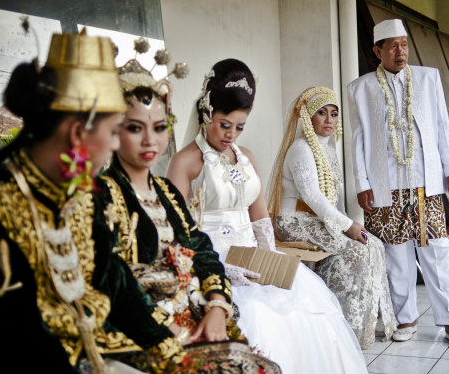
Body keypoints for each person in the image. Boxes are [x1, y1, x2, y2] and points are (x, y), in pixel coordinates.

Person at [0, 30, 191, 373]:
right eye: (116, 130)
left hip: (98, 349)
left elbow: (111, 278)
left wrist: (168, 347)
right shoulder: (6, 201)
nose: (116, 146)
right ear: (77, 134)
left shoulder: (83, 195)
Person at [167, 59, 368, 374]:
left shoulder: (246, 158)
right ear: (206, 114)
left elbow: (259, 216)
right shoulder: (186, 161)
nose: (231, 134)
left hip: (254, 256)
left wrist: (270, 255)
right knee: (258, 315)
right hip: (213, 256)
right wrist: (221, 266)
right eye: (224, 124)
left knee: (301, 302)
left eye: (240, 127)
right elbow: (178, 231)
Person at [95, 50, 280, 373]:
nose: (151, 140)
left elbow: (201, 249)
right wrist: (173, 331)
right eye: (135, 128)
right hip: (140, 322)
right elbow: (114, 280)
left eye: (159, 126)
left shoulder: (164, 192)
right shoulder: (101, 197)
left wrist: (218, 306)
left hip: (192, 305)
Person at [347, 19, 449, 350]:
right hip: (384, 184)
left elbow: (443, 126)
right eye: (393, 46)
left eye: (404, 44)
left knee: (438, 250)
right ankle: (406, 318)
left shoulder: (429, 78)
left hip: (425, 183)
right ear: (378, 51)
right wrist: (361, 181)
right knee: (395, 254)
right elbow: (357, 140)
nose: (401, 51)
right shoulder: (360, 89)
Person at [267, 86, 397, 348]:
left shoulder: (327, 149)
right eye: (321, 113)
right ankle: (337, 328)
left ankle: (359, 325)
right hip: (291, 222)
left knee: (373, 245)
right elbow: (313, 196)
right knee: (356, 249)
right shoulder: (301, 149)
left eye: (334, 114)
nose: (328, 120)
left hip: (312, 221)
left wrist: (346, 224)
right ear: (307, 117)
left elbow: (330, 200)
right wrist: (347, 226)